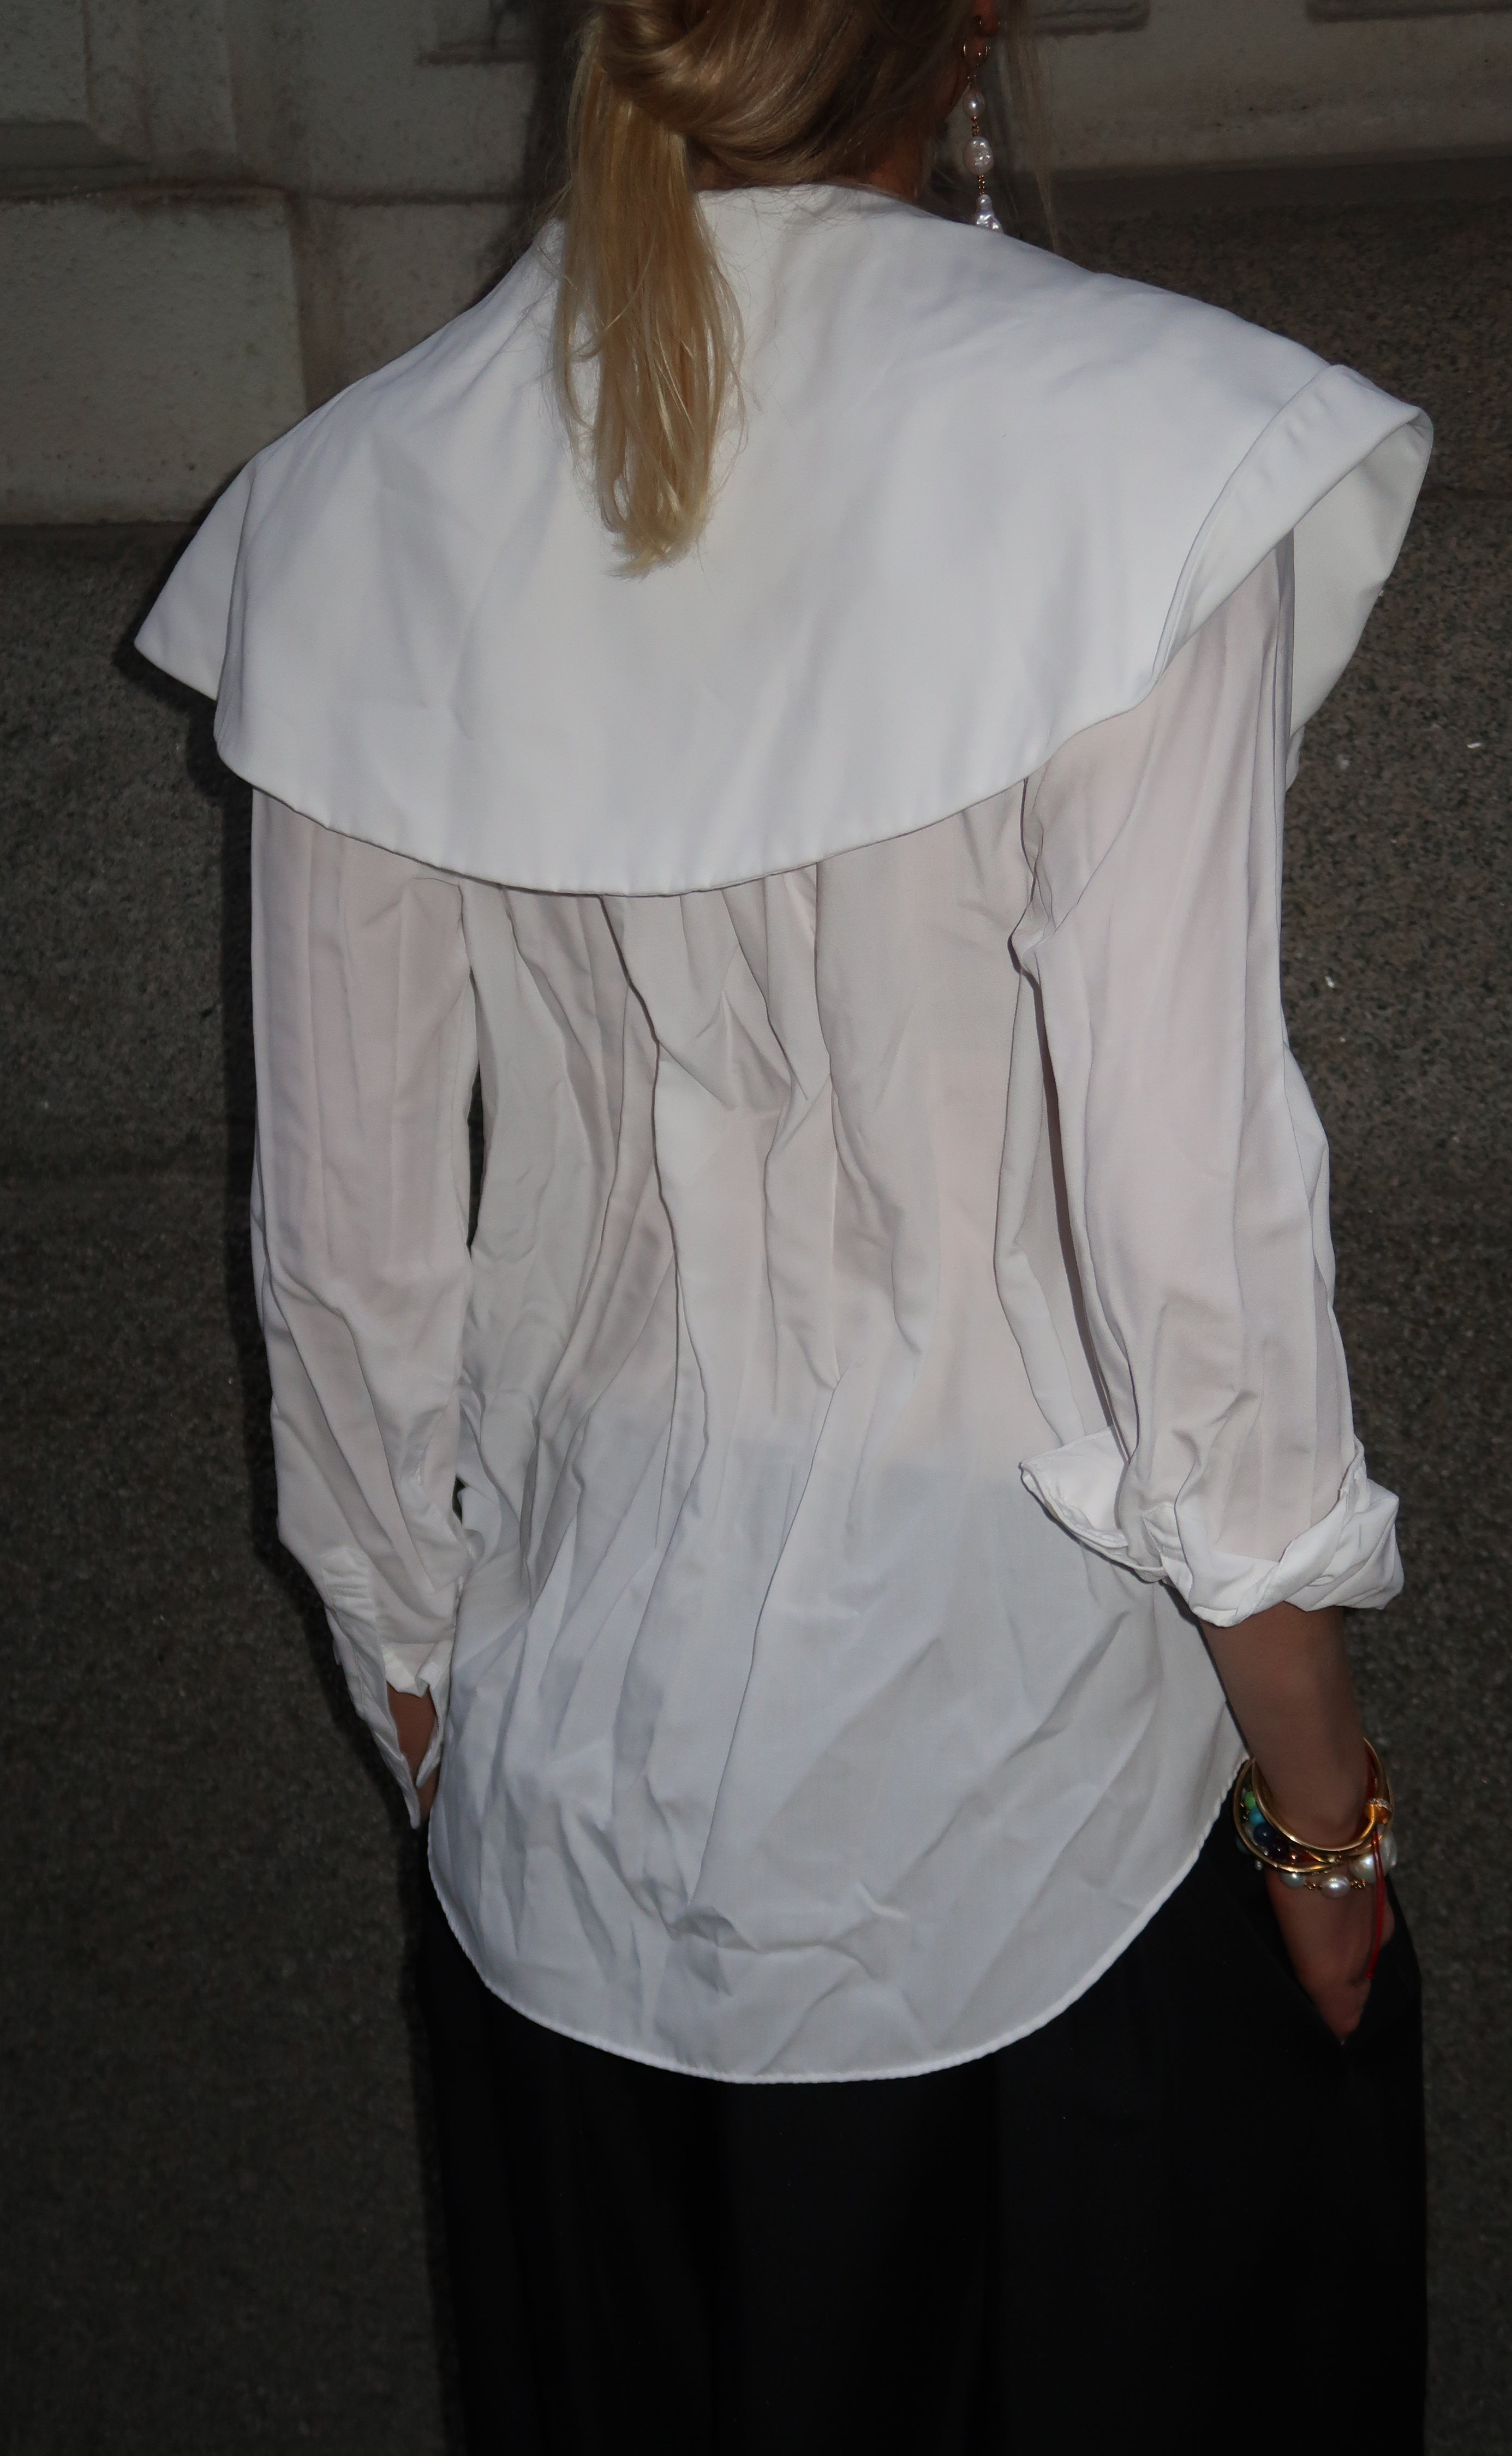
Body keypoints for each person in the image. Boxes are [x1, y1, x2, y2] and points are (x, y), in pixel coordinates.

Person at [138, 3, 1433, 2447]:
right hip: (1045, 1805)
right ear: (965, 32)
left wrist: (420, 1668)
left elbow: (346, 1241)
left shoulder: (364, 497)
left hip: (563, 1811)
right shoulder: (1132, 452)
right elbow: (1191, 1231)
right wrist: (1326, 1810)